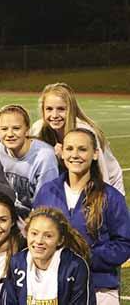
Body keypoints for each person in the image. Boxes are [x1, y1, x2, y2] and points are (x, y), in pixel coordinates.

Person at [33, 128, 130, 304]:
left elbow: (123, 243)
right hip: (54, 286)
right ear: (61, 152)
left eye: (82, 149)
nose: (75, 155)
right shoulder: (47, 192)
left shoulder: (110, 197)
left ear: (95, 154)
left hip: (99, 287)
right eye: (69, 149)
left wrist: (85, 257)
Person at [31, 82, 125, 195]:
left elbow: (101, 173)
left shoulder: (85, 132)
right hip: (73, 185)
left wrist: (104, 203)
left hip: (107, 185)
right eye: (49, 109)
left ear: (71, 109)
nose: (54, 115)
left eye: (61, 109)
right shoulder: (38, 128)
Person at [0, 207, 94, 305]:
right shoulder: (17, 262)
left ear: (60, 240)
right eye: (34, 233)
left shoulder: (75, 266)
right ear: (26, 234)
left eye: (48, 236)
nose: (39, 241)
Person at [0, 105, 59, 224]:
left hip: (45, 217)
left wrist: (30, 225)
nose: (9, 134)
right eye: (4, 129)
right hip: (19, 213)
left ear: (27, 130)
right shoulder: (1, 149)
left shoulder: (44, 157)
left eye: (16, 128)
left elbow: (46, 202)